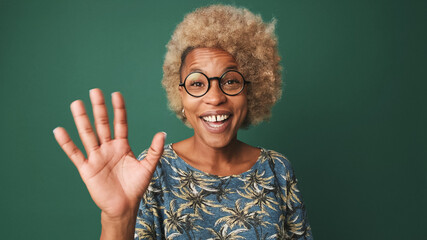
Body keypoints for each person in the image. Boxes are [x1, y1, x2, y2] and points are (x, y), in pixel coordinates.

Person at [53, 4, 312, 240]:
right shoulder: (150, 172)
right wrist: (117, 218)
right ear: (181, 97)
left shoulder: (277, 170)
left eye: (230, 81)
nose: (214, 97)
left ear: (250, 91)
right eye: (197, 83)